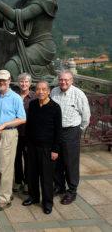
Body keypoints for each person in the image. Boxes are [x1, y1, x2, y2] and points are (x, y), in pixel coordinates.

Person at [51, 70, 90, 205]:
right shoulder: (54, 92)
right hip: (56, 132)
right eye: (61, 79)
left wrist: (78, 130)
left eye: (66, 80)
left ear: (72, 81)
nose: (63, 82)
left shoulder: (78, 94)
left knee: (70, 163)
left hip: (71, 131)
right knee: (56, 161)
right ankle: (59, 186)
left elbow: (86, 116)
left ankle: (72, 191)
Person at [22, 81, 61, 215]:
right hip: (32, 146)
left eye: (44, 89)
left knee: (46, 177)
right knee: (32, 174)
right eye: (38, 89)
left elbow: (58, 131)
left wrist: (55, 149)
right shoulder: (32, 105)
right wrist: (27, 143)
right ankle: (33, 197)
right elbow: (29, 126)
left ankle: (47, 203)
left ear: (49, 91)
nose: (41, 92)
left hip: (47, 148)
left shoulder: (55, 107)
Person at [0, 70, 26, 211]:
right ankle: (5, 193)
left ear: (9, 80)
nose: (2, 82)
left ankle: (4, 199)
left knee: (5, 167)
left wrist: (5, 124)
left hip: (9, 134)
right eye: (0, 80)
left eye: (4, 80)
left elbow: (23, 118)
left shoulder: (16, 97)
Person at [13, 73, 36, 194]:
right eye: (21, 81)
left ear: (30, 83)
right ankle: (18, 180)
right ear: (18, 83)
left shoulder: (34, 97)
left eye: (26, 82)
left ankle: (27, 182)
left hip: (29, 133)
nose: (24, 84)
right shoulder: (14, 96)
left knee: (28, 159)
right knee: (16, 158)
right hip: (15, 131)